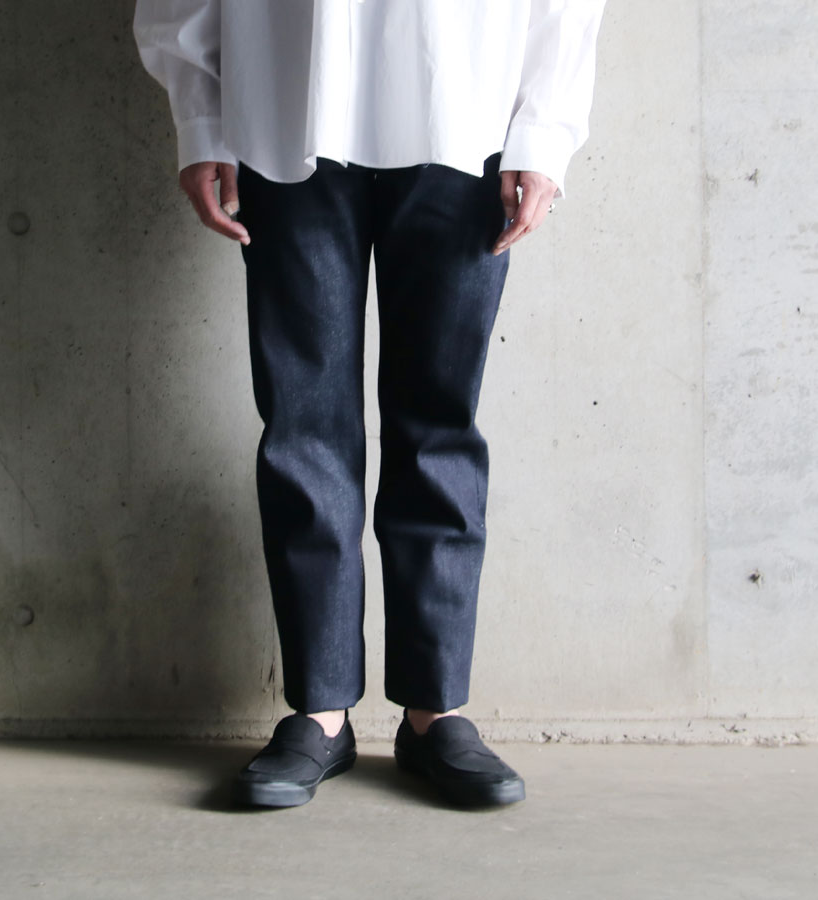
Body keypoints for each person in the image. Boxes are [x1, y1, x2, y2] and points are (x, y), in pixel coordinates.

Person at [133, 0, 606, 808]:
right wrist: (201, 121)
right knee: (303, 425)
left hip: (467, 111)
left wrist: (543, 132)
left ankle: (434, 709)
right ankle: (320, 711)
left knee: (439, 423)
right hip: (287, 108)